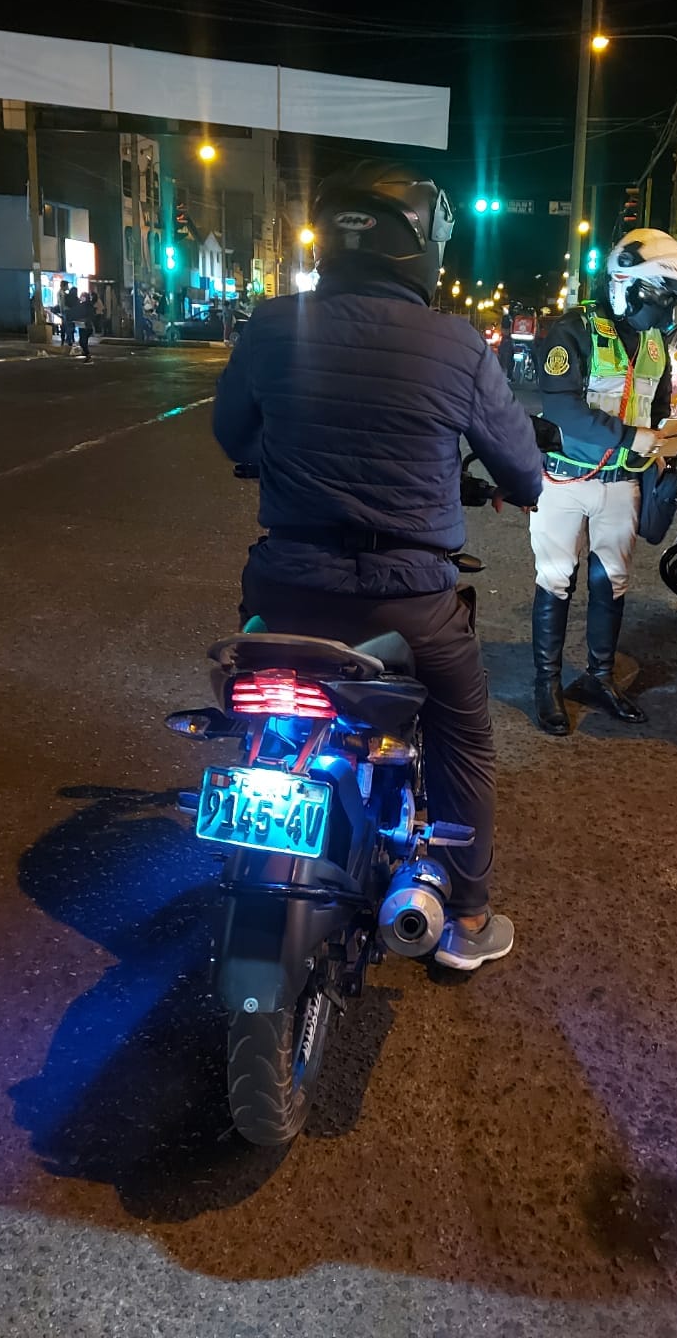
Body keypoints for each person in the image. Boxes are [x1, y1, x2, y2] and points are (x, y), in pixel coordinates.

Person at [213, 159, 542, 972]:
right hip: (407, 603)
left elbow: (232, 436)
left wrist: (281, 455)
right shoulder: (458, 344)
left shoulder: (270, 324)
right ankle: (464, 916)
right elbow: (526, 475)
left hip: (283, 590)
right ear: (420, 246)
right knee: (463, 730)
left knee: (259, 707)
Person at [530, 228, 677, 736]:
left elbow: (662, 406)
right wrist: (632, 436)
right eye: (662, 300)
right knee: (556, 578)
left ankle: (599, 678)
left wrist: (669, 439)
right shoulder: (571, 331)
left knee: (613, 579)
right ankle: (547, 684)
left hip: (620, 483)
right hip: (563, 480)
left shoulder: (654, 343)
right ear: (625, 285)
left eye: (674, 304)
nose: (667, 315)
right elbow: (561, 405)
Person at [76, 291, 97, 363]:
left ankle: (88, 355)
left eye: (82, 296)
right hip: (85, 325)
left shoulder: (85, 305)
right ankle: (86, 353)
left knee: (82, 341)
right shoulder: (88, 305)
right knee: (83, 341)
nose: (81, 298)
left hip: (85, 326)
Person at [61, 282, 80, 353]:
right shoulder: (76, 298)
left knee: (67, 326)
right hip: (72, 314)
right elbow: (77, 306)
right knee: (71, 327)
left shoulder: (67, 296)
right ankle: (70, 340)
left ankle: (68, 340)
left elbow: (64, 304)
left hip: (66, 313)